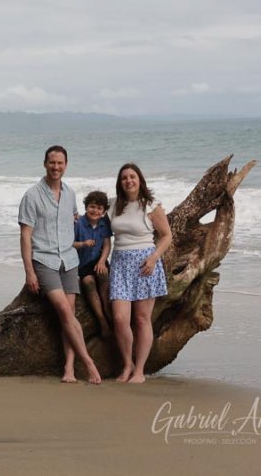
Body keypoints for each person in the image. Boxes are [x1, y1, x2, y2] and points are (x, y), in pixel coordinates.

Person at [19, 145, 102, 384]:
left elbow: (75, 219)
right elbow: (25, 235)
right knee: (64, 310)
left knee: (70, 313)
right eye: (52, 163)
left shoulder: (70, 194)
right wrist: (29, 271)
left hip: (69, 259)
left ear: (66, 165)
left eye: (60, 163)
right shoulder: (32, 195)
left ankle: (69, 368)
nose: (56, 167)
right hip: (44, 260)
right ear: (45, 164)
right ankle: (88, 363)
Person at [107, 164, 172, 383]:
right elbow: (94, 220)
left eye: (132, 176)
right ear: (120, 182)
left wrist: (154, 258)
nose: (128, 181)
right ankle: (128, 364)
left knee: (142, 319)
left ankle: (139, 371)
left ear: (140, 180)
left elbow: (166, 236)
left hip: (145, 264)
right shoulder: (113, 204)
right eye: (124, 178)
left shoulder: (151, 205)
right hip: (119, 264)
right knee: (120, 318)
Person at [73, 191, 112, 338]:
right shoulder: (78, 223)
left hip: (98, 260)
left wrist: (102, 261)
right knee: (88, 282)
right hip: (83, 264)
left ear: (104, 211)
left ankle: (109, 313)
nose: (95, 211)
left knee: (103, 275)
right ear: (86, 207)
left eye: (99, 208)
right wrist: (83, 244)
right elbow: (69, 243)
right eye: (92, 207)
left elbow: (107, 244)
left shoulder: (104, 223)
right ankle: (102, 321)